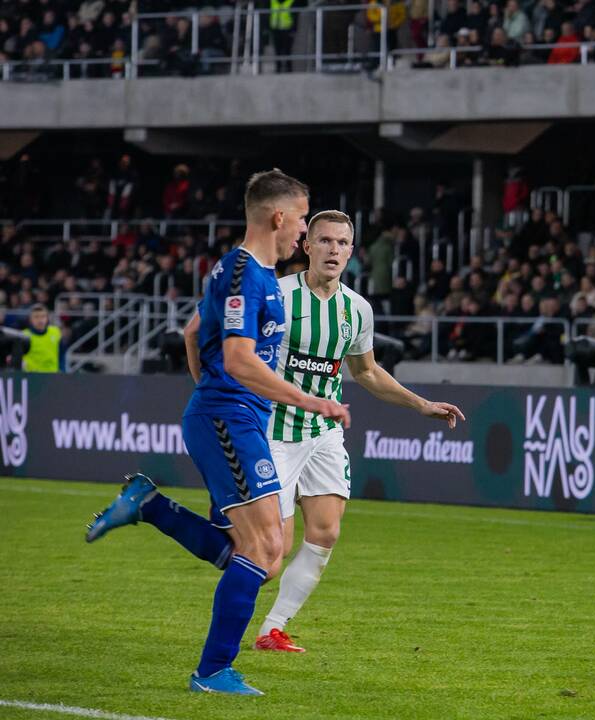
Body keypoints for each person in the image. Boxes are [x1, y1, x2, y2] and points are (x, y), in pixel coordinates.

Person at [85, 169, 350, 696]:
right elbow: (237, 357)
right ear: (278, 216)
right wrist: (307, 399)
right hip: (229, 419)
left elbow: (191, 333)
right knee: (266, 545)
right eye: (301, 218)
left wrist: (213, 394)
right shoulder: (244, 275)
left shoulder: (252, 274)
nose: (303, 229)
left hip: (234, 416)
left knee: (253, 555)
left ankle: (149, 505)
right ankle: (212, 672)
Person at [255, 210, 465, 652]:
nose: (334, 250)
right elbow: (243, 356)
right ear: (307, 247)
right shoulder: (277, 295)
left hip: (324, 433)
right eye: (325, 241)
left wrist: (421, 404)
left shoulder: (356, 309)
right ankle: (174, 520)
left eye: (342, 243)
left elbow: (366, 372)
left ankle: (272, 628)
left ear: (352, 251)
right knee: (270, 557)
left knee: (326, 533)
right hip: (272, 431)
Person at [21, 303, 64, 373]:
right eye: (36, 317)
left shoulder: (55, 332)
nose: (40, 320)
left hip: (52, 376)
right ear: (30, 319)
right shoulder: (24, 335)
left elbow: (62, 354)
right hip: (32, 377)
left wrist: (62, 370)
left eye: (43, 316)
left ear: (47, 318)